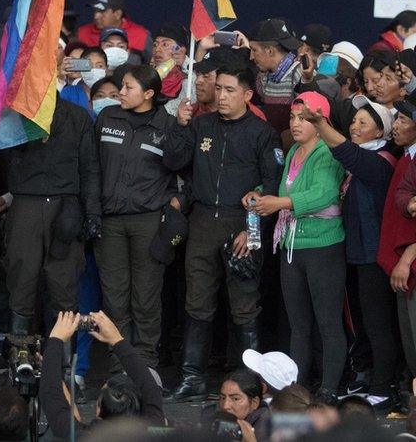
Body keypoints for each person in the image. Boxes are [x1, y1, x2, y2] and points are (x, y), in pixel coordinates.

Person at [164, 60, 282, 402]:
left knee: (244, 307)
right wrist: (180, 126)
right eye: (219, 88)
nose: (222, 95)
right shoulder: (201, 125)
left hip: (241, 224)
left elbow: (271, 186)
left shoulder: (262, 134)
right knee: (196, 303)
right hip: (202, 221)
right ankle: (192, 379)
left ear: (247, 95)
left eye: (230, 90)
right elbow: (173, 161)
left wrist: (253, 226)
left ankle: (251, 385)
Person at [301, 94, 399, 409]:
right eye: (354, 121)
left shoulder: (380, 161)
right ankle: (364, 376)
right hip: (354, 250)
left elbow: (344, 152)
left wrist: (320, 124)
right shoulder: (360, 157)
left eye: (363, 123)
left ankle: (384, 387)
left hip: (374, 255)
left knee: (377, 321)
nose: (355, 127)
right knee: (357, 320)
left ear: (380, 132)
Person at [249, 92, 346, 398]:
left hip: (322, 245)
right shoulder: (293, 152)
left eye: (304, 118)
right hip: (292, 243)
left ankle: (329, 387)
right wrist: (261, 193)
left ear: (321, 122)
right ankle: (297, 388)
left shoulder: (328, 152)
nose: (295, 123)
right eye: (292, 117)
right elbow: (282, 187)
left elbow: (324, 194)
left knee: (328, 322)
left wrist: (281, 202)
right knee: (298, 323)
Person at [93, 66, 180, 368]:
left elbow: (184, 168)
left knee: (145, 297)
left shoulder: (168, 125)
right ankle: (120, 363)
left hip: (148, 220)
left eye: (129, 87)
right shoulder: (107, 118)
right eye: (122, 86)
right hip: (110, 220)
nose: (121, 92)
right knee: (115, 296)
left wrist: (178, 202)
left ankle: (145, 365)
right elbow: (92, 166)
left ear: (149, 94)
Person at [3, 77, 99, 339]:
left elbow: (89, 168)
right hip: (25, 206)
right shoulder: (15, 117)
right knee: (21, 284)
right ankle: (19, 360)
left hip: (66, 208)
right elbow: (1, 161)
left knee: (64, 288)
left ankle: (62, 367)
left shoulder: (77, 117)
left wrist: (92, 213)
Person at [39, 311, 164, 438]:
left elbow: (52, 395)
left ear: (98, 409)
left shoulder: (77, 435)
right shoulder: (152, 432)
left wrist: (54, 347)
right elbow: (150, 387)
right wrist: (116, 339)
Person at [383, 96, 416, 381]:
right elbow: (404, 202)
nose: (396, 126)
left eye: (404, 120)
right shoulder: (408, 160)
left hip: (410, 262)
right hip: (406, 266)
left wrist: (406, 258)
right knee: (410, 341)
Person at [247, 18, 305, 132]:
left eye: (254, 50)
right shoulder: (262, 78)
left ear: (270, 51)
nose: (251, 57)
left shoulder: (299, 75)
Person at [76, 0, 152, 59]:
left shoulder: (141, 35)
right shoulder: (82, 33)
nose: (96, 16)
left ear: (117, 14)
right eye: (96, 11)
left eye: (102, 11)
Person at [218, 369, 270, 442]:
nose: (225, 406)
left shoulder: (266, 432)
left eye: (235, 399)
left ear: (254, 403)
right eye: (222, 398)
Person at [150, 24, 190, 99]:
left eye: (165, 44)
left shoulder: (189, 79)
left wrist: (185, 62)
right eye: (155, 44)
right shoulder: (145, 75)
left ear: (179, 49)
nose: (157, 49)